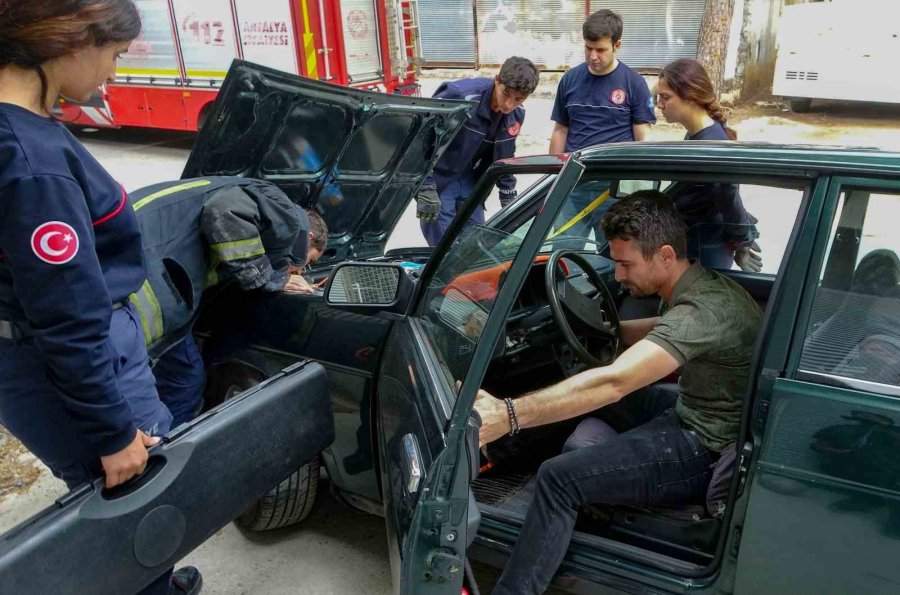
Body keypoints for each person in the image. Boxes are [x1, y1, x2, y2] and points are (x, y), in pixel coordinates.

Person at [0, 2, 200, 593]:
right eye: (114, 55)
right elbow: (67, 318)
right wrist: (112, 431)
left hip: (40, 354)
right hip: (72, 368)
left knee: (130, 498)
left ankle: (153, 576)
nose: (114, 72)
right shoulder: (32, 162)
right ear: (72, 40)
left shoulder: (24, 133)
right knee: (134, 499)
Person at [475, 190, 763, 594]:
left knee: (558, 478)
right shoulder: (698, 287)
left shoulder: (701, 313)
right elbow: (652, 334)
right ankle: (492, 455)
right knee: (574, 395)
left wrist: (508, 412)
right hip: (699, 408)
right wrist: (596, 328)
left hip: (706, 444)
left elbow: (614, 382)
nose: (621, 277)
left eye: (626, 265)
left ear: (664, 255)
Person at [130, 177, 329, 426]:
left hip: (141, 257)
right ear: (309, 237)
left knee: (184, 376)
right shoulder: (289, 219)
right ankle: (147, 448)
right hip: (143, 269)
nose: (301, 270)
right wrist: (272, 278)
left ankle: (159, 444)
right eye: (308, 262)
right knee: (130, 374)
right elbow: (223, 210)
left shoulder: (262, 212)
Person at [549, 9, 657, 249]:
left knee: (615, 254)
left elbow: (642, 140)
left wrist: (639, 190)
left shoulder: (634, 83)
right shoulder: (570, 80)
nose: (592, 56)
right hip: (573, 185)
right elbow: (560, 130)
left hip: (613, 190)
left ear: (617, 46)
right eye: (588, 48)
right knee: (563, 252)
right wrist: (552, 176)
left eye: (600, 49)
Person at [418, 56, 539, 247]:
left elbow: (506, 154)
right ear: (497, 80)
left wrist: (508, 194)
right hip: (440, 178)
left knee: (475, 246)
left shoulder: (516, 114)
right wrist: (425, 187)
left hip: (471, 180)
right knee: (442, 249)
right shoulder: (460, 96)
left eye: (518, 99)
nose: (509, 104)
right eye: (506, 94)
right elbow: (420, 140)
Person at [656, 58, 762, 271]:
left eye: (665, 97)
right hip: (699, 244)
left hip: (705, 251)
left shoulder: (711, 145)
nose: (659, 104)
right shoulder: (698, 135)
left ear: (691, 98)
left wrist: (741, 240)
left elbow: (728, 197)